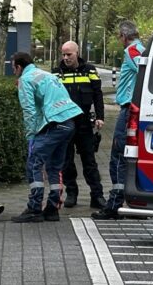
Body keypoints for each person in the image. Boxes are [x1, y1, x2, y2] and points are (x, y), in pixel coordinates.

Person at [10, 51, 83, 223]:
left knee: (34, 162)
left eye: (13, 68)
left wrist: (31, 136)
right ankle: (52, 208)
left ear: (19, 67)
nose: (13, 71)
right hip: (69, 122)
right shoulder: (47, 75)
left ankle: (34, 208)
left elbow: (28, 110)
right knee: (55, 166)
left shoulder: (25, 80)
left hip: (54, 123)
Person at [92, 21, 145, 220]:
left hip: (128, 109)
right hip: (135, 108)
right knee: (131, 156)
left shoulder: (133, 51)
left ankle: (114, 204)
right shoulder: (142, 48)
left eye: (118, 37)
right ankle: (136, 202)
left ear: (124, 36)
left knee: (118, 155)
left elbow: (144, 72)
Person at [53, 41, 106, 209]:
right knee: (67, 161)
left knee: (89, 160)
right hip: (65, 123)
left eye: (69, 54)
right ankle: (72, 193)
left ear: (77, 53)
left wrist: (100, 116)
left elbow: (98, 94)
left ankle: (97, 196)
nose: (66, 58)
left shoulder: (89, 70)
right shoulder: (56, 73)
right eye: (63, 54)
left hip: (84, 123)